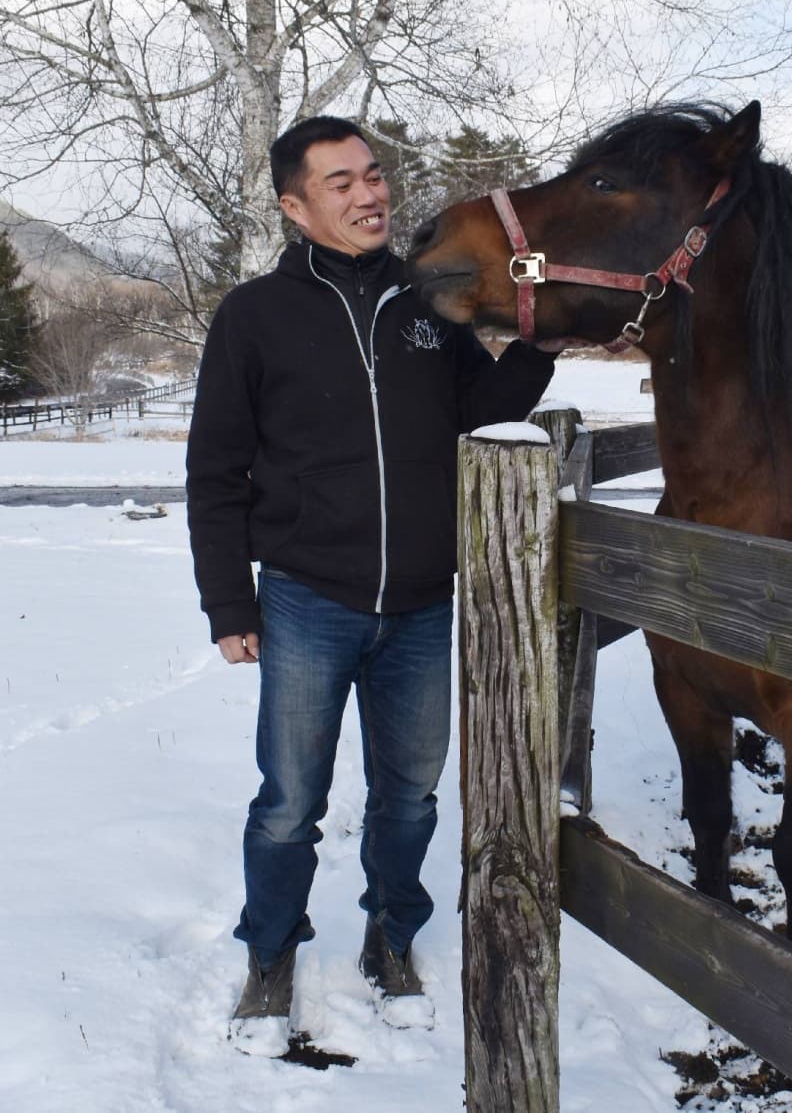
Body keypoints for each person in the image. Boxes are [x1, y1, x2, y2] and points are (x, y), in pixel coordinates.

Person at [185, 115, 556, 1047]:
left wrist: (545, 338)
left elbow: (482, 408)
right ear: (295, 206)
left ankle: (391, 938)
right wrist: (228, 601)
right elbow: (215, 470)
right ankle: (271, 952)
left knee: (411, 797)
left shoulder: (428, 302)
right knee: (288, 804)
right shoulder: (253, 317)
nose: (369, 193)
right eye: (341, 182)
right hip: (308, 598)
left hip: (423, 604)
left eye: (374, 174)